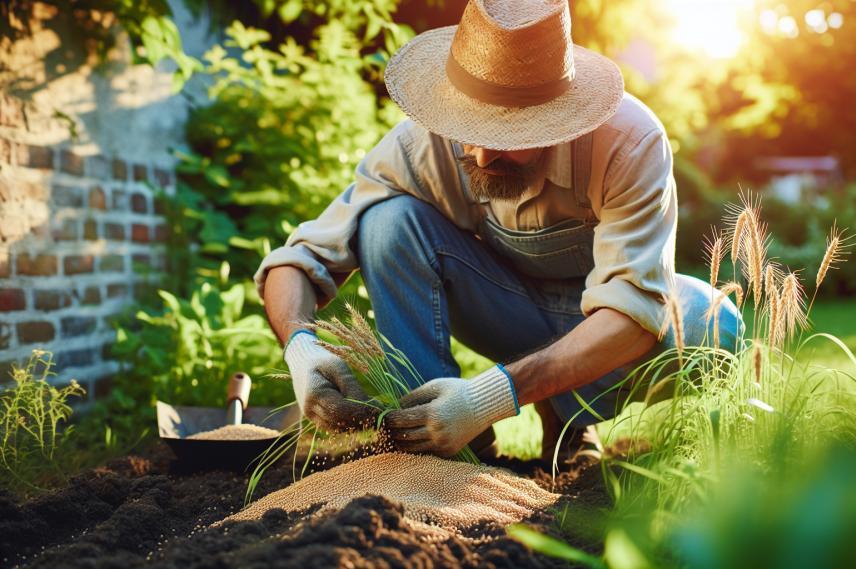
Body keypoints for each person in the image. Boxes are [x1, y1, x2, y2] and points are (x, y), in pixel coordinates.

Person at [255, 0, 741, 463]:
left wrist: (488, 398)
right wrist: (302, 349)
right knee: (384, 222)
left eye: (511, 135)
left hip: (603, 326)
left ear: (562, 120)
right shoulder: (421, 144)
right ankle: (433, 432)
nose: (484, 157)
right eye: (474, 128)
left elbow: (636, 312)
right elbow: (297, 259)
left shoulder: (629, 143)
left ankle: (565, 418)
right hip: (502, 306)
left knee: (710, 321)